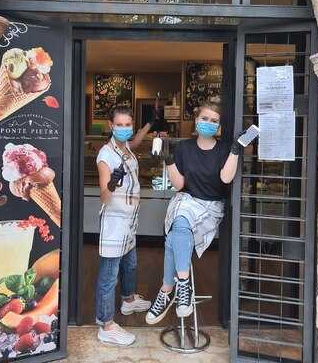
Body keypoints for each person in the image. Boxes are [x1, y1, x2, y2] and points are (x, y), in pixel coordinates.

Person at [145, 101, 248, 324]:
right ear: (196, 120)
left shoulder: (223, 148)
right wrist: (168, 159)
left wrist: (236, 150)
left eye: (214, 121)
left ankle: (166, 290)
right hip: (187, 199)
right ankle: (184, 286)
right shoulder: (184, 148)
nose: (208, 123)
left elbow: (225, 179)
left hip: (211, 207)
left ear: (219, 125)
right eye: (205, 119)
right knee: (181, 220)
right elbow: (179, 184)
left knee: (174, 234)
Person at [95, 105, 156, 345]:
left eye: (127, 125)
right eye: (119, 125)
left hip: (130, 218)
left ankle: (128, 301)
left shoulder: (126, 147)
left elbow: (137, 141)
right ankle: (105, 324)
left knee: (130, 265)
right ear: (111, 126)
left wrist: (150, 122)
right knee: (109, 275)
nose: (124, 129)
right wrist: (112, 184)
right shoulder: (105, 155)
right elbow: (103, 196)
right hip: (114, 220)